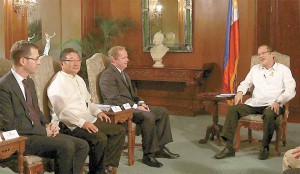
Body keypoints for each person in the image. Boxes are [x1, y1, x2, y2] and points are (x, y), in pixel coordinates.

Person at [0, 40, 89, 174]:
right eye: (36, 59)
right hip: (22, 137)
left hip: (38, 131)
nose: (39, 62)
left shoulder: (29, 81)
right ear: (23, 61)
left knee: (82, 145)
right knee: (66, 145)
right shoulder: (4, 85)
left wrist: (48, 124)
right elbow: (10, 125)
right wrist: (43, 131)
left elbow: (36, 111)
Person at [47, 48, 126, 174]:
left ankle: (103, 167)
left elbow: (88, 102)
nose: (76, 63)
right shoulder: (57, 83)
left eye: (78, 60)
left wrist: (98, 112)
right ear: (62, 63)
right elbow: (62, 113)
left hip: (86, 117)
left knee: (119, 131)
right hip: (68, 124)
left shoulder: (78, 79)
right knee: (99, 139)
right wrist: (82, 123)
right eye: (71, 60)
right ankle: (97, 171)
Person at [99, 46, 180, 168]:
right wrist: (136, 106)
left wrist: (141, 102)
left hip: (132, 106)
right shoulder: (107, 75)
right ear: (114, 60)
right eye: (124, 57)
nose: (127, 60)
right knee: (148, 116)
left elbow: (133, 95)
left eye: (127, 57)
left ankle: (160, 148)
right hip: (120, 110)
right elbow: (114, 100)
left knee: (162, 111)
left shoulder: (124, 74)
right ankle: (148, 155)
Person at [214, 44, 296, 160]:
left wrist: (279, 101)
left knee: (269, 114)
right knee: (233, 109)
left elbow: (291, 90)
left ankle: (265, 147)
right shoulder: (255, 69)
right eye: (259, 54)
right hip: (255, 103)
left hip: (274, 104)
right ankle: (229, 148)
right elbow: (245, 83)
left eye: (263, 53)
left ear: (272, 54)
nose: (260, 56)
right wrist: (240, 92)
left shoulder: (283, 70)